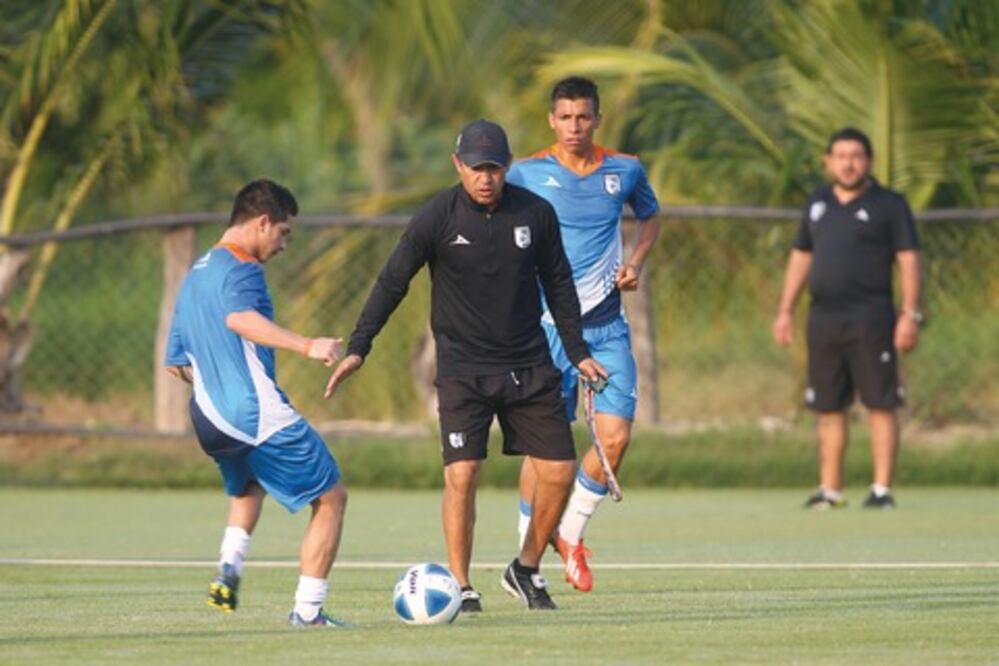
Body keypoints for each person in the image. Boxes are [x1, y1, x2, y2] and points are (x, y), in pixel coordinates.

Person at [324, 120, 606, 612]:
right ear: (458, 166)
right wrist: (359, 346)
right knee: (463, 473)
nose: (485, 177)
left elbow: (560, 285)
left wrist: (578, 351)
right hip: (463, 368)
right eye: (476, 168)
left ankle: (526, 568)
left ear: (508, 166)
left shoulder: (536, 214)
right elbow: (393, 281)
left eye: (495, 167)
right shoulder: (437, 217)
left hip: (528, 363)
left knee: (559, 472)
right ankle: (460, 583)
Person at [165, 179, 349, 627]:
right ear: (263, 222)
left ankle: (230, 564)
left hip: (209, 417)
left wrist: (218, 373)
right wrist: (308, 345)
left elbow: (176, 364)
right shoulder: (242, 268)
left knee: (250, 485)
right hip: (253, 412)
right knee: (331, 498)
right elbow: (240, 320)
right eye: (284, 233)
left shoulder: (197, 273)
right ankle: (308, 611)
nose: (284, 244)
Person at [505, 76, 660, 592]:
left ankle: (570, 532)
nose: (574, 126)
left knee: (616, 436)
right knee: (543, 453)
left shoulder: (626, 169)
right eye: (565, 117)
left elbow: (651, 216)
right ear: (552, 120)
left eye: (583, 117)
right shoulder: (525, 173)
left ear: (598, 118)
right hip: (545, 331)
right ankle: (525, 561)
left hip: (606, 327)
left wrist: (635, 261)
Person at [772, 127, 922, 510]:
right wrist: (786, 309)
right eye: (840, 156)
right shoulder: (818, 202)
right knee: (828, 406)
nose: (848, 163)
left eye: (856, 156)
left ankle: (881, 490)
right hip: (823, 320)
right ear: (829, 161)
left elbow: (909, 259)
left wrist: (910, 313)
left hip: (872, 319)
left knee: (880, 403)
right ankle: (830, 489)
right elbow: (801, 256)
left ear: (868, 161)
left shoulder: (890, 204)